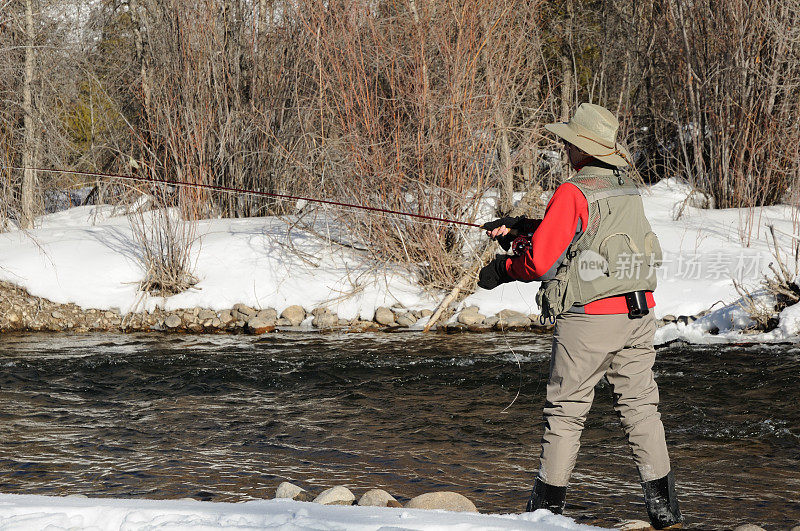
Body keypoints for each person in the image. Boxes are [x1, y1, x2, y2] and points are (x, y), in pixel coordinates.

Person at [478, 103, 683, 529]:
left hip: (590, 321)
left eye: (569, 140)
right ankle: (666, 514)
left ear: (582, 148)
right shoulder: (626, 186)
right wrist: (525, 225)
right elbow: (592, 232)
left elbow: (537, 263)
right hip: (639, 314)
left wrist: (501, 270)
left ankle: (544, 517)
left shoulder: (573, 190)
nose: (565, 145)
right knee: (642, 410)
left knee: (566, 412)